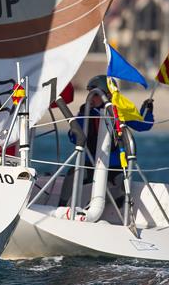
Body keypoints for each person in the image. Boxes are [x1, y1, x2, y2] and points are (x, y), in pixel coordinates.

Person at [59, 74, 154, 206]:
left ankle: (118, 208)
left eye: (96, 94)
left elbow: (143, 125)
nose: (91, 97)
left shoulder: (119, 112)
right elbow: (75, 136)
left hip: (114, 164)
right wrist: (75, 132)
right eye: (90, 93)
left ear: (108, 95)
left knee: (119, 182)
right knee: (72, 175)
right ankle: (62, 206)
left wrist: (147, 111)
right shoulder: (85, 112)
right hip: (90, 163)